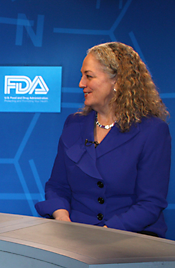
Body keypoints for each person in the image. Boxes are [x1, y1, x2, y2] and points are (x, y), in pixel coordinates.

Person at [35, 42, 170, 237]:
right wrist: (62, 218)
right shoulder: (74, 125)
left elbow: (150, 203)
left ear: (118, 81)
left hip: (128, 237)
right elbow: (57, 186)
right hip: (74, 234)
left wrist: (103, 235)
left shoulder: (153, 131)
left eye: (89, 76)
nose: (81, 83)